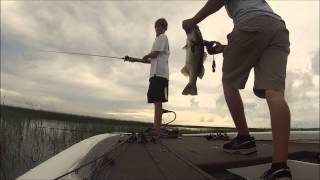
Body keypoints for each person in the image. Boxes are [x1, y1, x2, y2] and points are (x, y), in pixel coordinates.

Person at [182, 0, 291, 179]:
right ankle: (280, 167)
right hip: (278, 28)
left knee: (229, 83)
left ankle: (244, 138)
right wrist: (225, 48)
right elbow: (259, 34)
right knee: (276, 93)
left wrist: (193, 21)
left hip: (250, 23)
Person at [125, 18, 170, 135]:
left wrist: (145, 55)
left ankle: (157, 129)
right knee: (156, 99)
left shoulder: (163, 38)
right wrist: (135, 60)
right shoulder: (157, 41)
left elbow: (155, 54)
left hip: (161, 74)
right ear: (155, 28)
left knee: (158, 99)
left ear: (165, 29)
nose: (159, 28)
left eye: (162, 26)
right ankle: (156, 127)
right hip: (155, 75)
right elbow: (151, 60)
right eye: (157, 26)